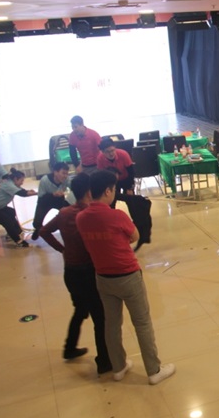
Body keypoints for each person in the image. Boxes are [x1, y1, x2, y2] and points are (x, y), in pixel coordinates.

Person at [76, 170, 174, 385]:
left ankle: (118, 367)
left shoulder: (81, 218)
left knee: (111, 324)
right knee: (142, 322)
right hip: (128, 276)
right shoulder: (117, 216)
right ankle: (154, 370)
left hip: (103, 277)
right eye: (113, 189)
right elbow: (135, 236)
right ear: (108, 191)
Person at [39, 173, 111, 372]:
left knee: (80, 309)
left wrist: (62, 249)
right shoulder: (90, 215)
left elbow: (43, 231)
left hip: (70, 271)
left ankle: (70, 347)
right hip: (89, 271)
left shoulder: (64, 213)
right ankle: (104, 361)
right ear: (89, 192)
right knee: (99, 317)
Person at [31, 162, 70, 240]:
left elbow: (74, 187)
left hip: (59, 200)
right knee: (36, 223)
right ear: (55, 172)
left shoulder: (67, 179)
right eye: (63, 173)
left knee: (68, 215)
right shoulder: (44, 180)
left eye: (66, 173)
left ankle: (68, 231)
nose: (65, 176)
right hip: (45, 202)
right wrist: (53, 194)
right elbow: (41, 198)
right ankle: (38, 230)